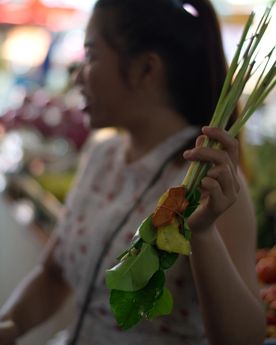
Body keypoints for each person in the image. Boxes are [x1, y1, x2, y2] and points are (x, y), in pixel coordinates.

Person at [0, 0, 266, 344]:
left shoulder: (207, 183)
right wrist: (9, 327)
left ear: (145, 69)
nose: (78, 75)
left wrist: (202, 234)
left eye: (92, 55)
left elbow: (244, 339)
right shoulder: (102, 155)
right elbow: (53, 276)